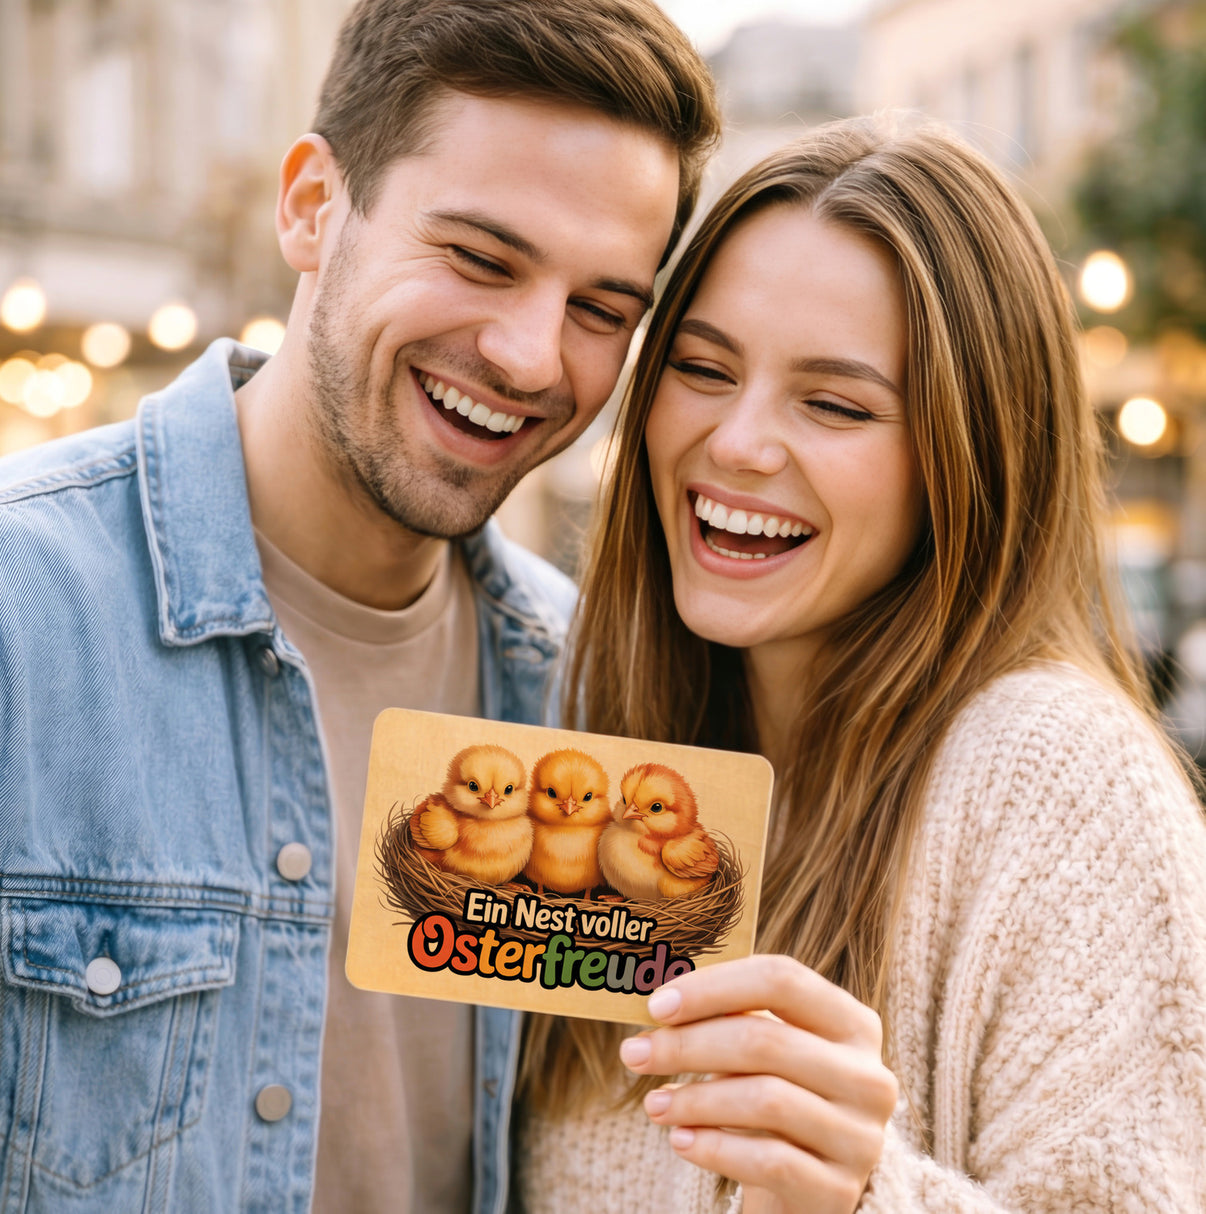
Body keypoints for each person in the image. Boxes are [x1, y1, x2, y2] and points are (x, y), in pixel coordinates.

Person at [0, 2, 719, 1211]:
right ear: (312, 207)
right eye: (480, 257)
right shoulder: (18, 611)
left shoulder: (590, 696)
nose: (533, 356)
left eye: (601, 308)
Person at [515, 115, 1206, 1213]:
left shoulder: (1059, 783)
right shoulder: (607, 740)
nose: (737, 441)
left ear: (964, 455)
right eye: (700, 367)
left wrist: (861, 1193)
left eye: (832, 403)